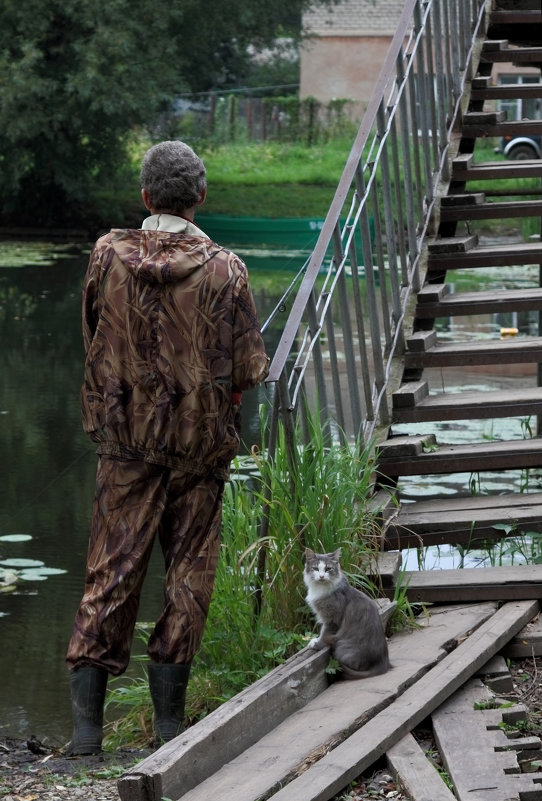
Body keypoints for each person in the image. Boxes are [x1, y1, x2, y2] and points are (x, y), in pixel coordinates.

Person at [65, 140, 269, 754]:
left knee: (110, 572)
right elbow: (248, 368)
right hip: (199, 450)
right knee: (188, 579)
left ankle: (84, 737)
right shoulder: (226, 269)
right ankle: (169, 731)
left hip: (125, 444)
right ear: (200, 198)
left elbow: (91, 333)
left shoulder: (106, 254)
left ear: (146, 197)